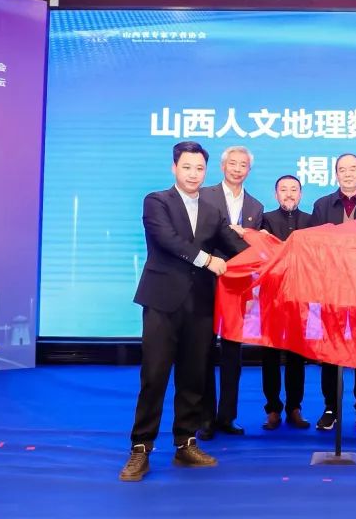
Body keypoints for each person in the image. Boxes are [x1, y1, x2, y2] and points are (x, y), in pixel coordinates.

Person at [119, 141, 246, 481]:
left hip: (201, 305)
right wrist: (208, 259)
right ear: (174, 168)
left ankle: (185, 443)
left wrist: (273, 252)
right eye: (187, 167)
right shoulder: (157, 201)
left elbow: (237, 247)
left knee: (193, 377)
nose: (193, 174)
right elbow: (168, 240)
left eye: (199, 168)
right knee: (155, 376)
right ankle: (140, 448)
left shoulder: (212, 210)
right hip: (162, 302)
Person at [307, 153, 356, 431]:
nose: (348, 174)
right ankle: (331, 406)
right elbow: (313, 247)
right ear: (336, 174)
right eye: (343, 169)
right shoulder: (322, 205)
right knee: (330, 350)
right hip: (331, 288)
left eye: (353, 169)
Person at [198, 146, 264, 439]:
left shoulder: (255, 206)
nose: (237, 169)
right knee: (202, 349)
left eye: (243, 165)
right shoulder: (204, 195)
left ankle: (227, 416)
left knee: (232, 353)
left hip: (238, 286)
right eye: (233, 163)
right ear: (223, 167)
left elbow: (253, 250)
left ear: (249, 169)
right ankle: (205, 417)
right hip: (206, 279)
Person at [258, 175, 312, 430]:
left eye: (294, 189)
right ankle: (272, 408)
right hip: (271, 297)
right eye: (283, 189)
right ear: (275, 194)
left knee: (296, 355)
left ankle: (294, 407)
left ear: (300, 194)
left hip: (300, 297)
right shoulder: (265, 220)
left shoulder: (311, 221)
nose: (289, 194)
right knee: (269, 354)